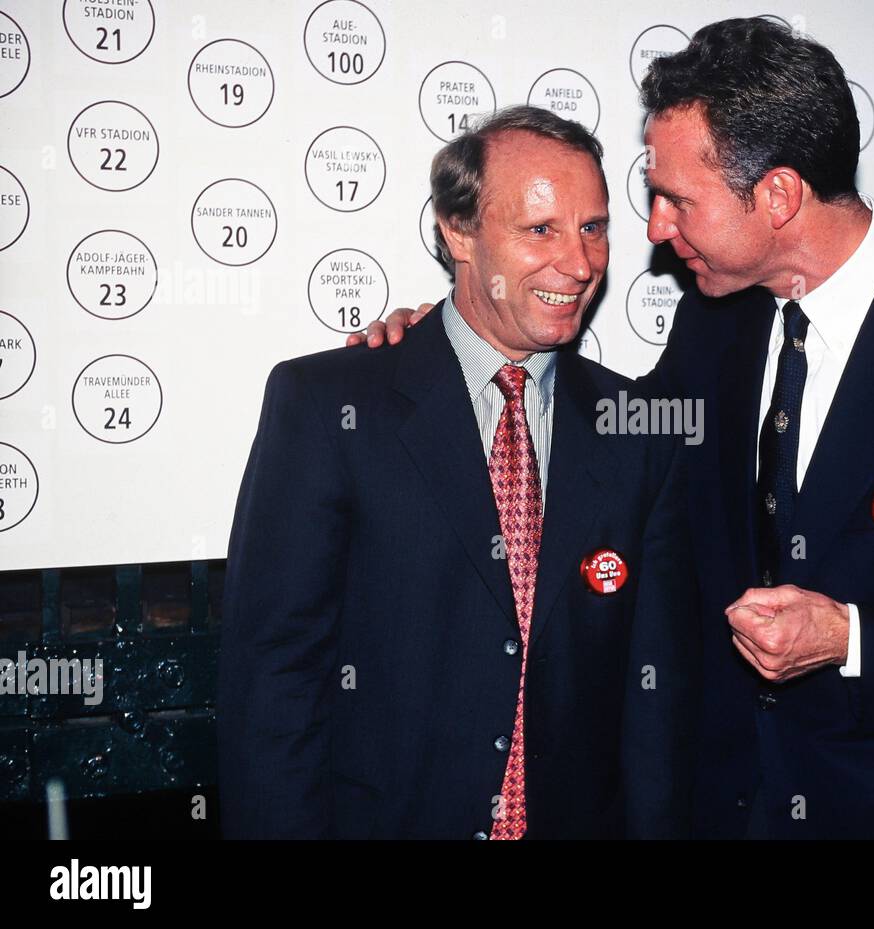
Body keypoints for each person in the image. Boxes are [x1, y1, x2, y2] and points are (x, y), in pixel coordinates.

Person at [351, 18, 874, 838]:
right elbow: (605, 440)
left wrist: (852, 638)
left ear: (779, 196)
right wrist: (466, 338)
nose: (652, 229)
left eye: (677, 199)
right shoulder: (716, 322)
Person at [218, 106, 697, 840]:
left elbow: (653, 704)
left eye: (593, 228)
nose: (578, 262)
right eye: (541, 229)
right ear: (459, 230)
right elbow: (272, 683)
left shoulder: (636, 430)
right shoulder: (328, 407)